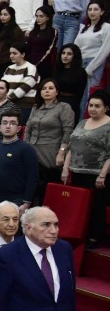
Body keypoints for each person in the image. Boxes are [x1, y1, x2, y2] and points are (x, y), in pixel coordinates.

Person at [61, 90, 110, 247]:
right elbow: (71, 147)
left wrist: (102, 175)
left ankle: (94, 237)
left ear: (106, 108)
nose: (93, 109)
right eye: (91, 105)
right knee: (78, 205)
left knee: (96, 207)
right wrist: (65, 169)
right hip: (77, 172)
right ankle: (77, 233)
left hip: (97, 174)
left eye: (97, 106)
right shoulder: (82, 122)